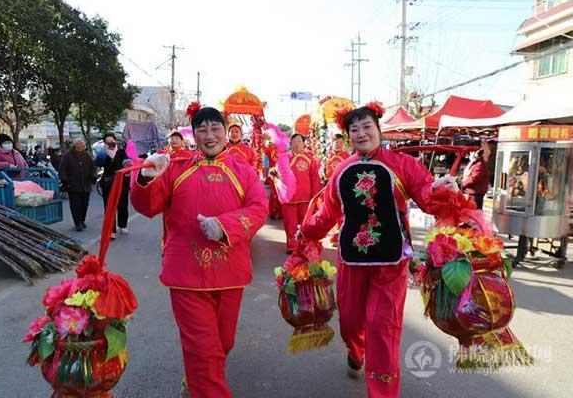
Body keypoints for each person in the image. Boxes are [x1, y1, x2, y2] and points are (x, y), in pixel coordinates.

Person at [301, 102, 452, 398]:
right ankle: (355, 350)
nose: (361, 133)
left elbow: (426, 194)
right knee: (350, 322)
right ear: (348, 136)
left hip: (391, 262)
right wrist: (306, 231)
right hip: (351, 261)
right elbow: (328, 213)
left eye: (366, 126)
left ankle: (382, 392)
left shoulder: (402, 164)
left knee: (382, 326)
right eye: (354, 129)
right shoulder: (342, 170)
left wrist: (441, 189)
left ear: (378, 129)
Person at [130, 104, 268, 398]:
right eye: (202, 130)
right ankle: (202, 384)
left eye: (215, 128)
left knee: (223, 343)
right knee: (203, 349)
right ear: (193, 135)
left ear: (225, 132)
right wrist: (146, 178)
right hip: (186, 274)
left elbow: (259, 208)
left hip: (230, 272)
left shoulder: (243, 170)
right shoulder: (175, 167)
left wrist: (224, 226)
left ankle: (195, 379)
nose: (209, 135)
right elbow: (148, 206)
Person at [281, 133, 321, 253]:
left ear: (304, 144)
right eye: (294, 142)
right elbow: (278, 175)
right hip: (289, 198)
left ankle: (303, 245)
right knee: (290, 223)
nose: (297, 144)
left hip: (305, 197)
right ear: (290, 144)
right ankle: (292, 246)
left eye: (299, 141)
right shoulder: (284, 158)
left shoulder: (310, 158)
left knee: (305, 223)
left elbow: (315, 178)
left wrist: (315, 195)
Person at [94, 132, 132, 239]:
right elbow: (97, 163)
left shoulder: (121, 152)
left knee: (122, 205)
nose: (110, 143)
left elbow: (127, 161)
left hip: (121, 183)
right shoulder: (103, 153)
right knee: (109, 207)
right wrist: (102, 152)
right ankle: (111, 230)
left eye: (112, 141)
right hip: (108, 183)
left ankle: (122, 225)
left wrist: (127, 164)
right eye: (108, 141)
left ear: (115, 141)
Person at [59, 138, 95, 232]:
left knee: (84, 204)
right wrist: (65, 181)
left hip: (86, 185)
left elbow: (93, 168)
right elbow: (62, 170)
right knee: (75, 205)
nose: (81, 146)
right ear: (75, 146)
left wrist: (93, 177)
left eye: (82, 145)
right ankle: (77, 222)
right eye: (79, 145)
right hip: (73, 185)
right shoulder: (68, 156)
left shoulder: (87, 155)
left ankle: (82, 220)